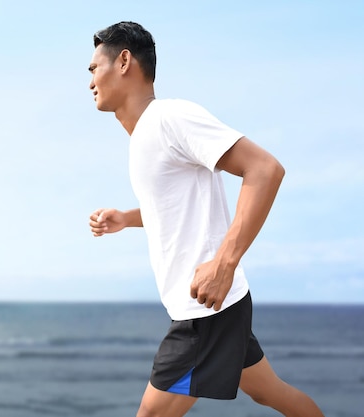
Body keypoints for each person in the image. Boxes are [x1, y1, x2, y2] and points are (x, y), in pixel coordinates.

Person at [87, 21, 324, 417]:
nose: (90, 80)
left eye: (94, 68)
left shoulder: (170, 118)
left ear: (124, 61)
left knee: (151, 414)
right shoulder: (143, 138)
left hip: (204, 311)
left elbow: (265, 170)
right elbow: (177, 211)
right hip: (215, 306)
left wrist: (224, 263)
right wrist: (127, 218)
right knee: (271, 394)